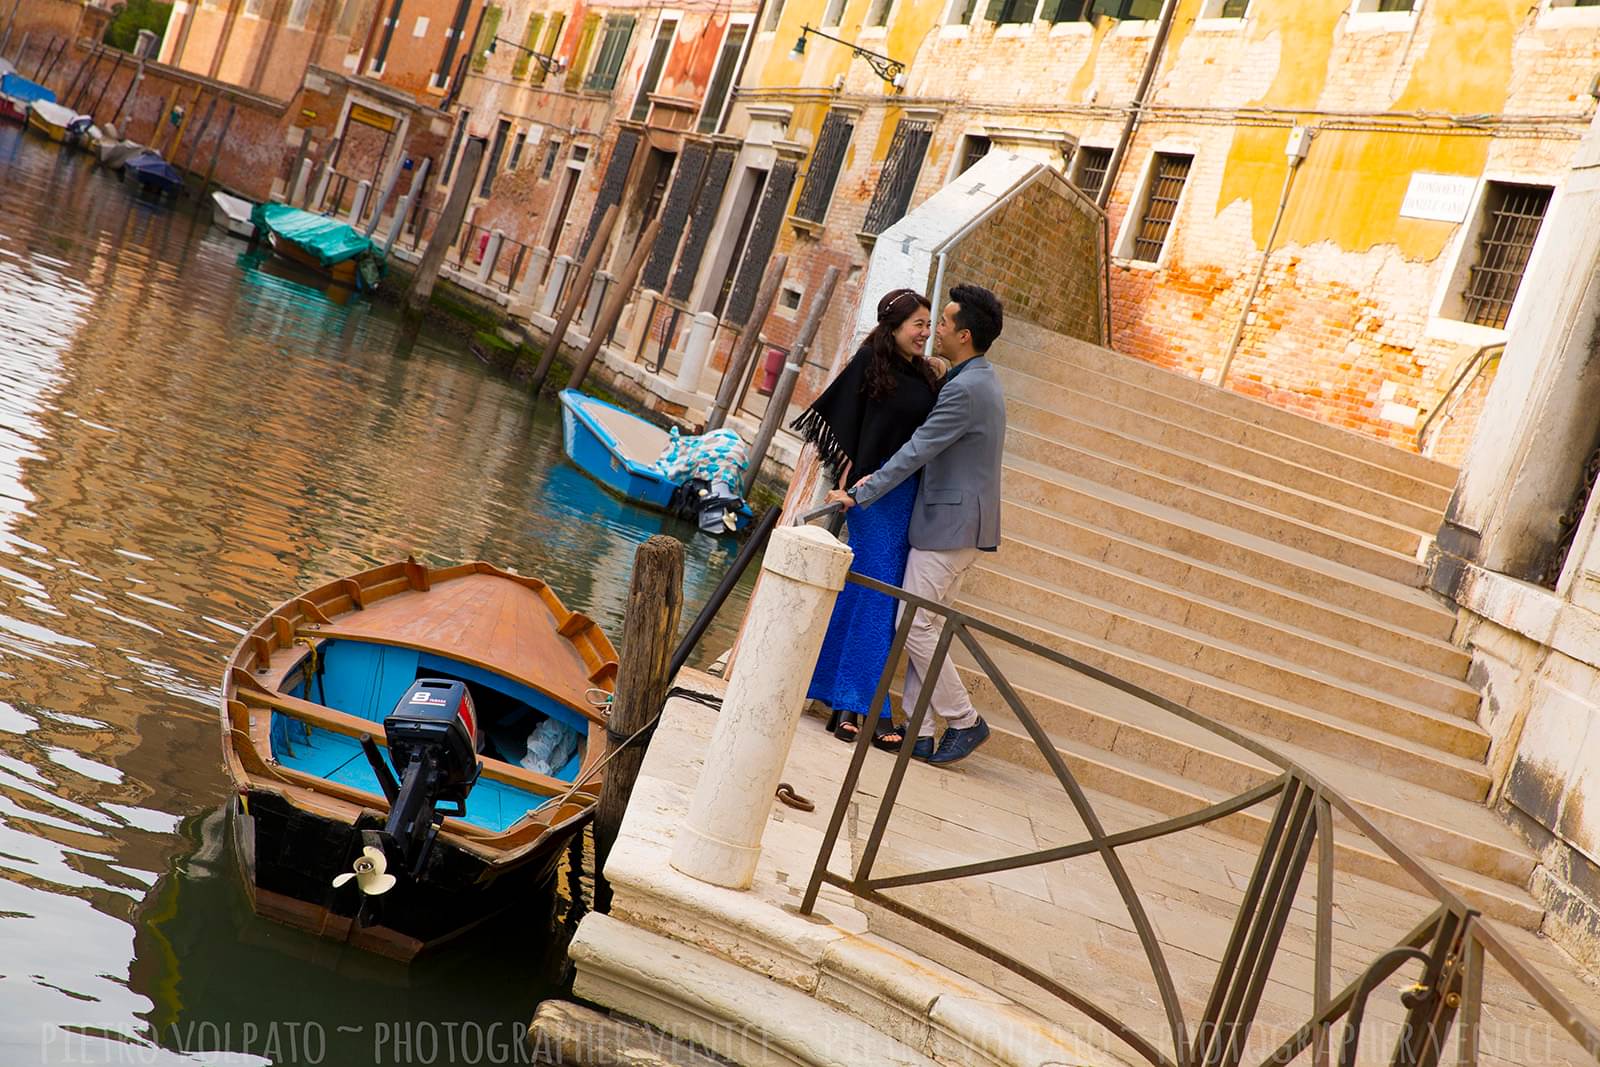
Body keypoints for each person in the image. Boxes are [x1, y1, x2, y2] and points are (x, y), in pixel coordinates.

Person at [828, 284, 1006, 765]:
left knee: (916, 626)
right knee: (921, 623)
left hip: (949, 525)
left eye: (943, 323)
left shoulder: (966, 389)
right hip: (955, 523)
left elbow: (915, 451)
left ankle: (965, 720)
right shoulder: (976, 378)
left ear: (964, 334)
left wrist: (859, 493)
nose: (935, 331)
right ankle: (921, 733)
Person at [794, 288, 941, 751]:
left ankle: (840, 701)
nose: (925, 331)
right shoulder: (867, 364)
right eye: (918, 323)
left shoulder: (926, 374)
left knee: (865, 595)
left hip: (907, 499)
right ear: (894, 326)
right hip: (871, 501)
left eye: (929, 323)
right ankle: (871, 709)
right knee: (878, 602)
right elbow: (835, 419)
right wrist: (849, 473)